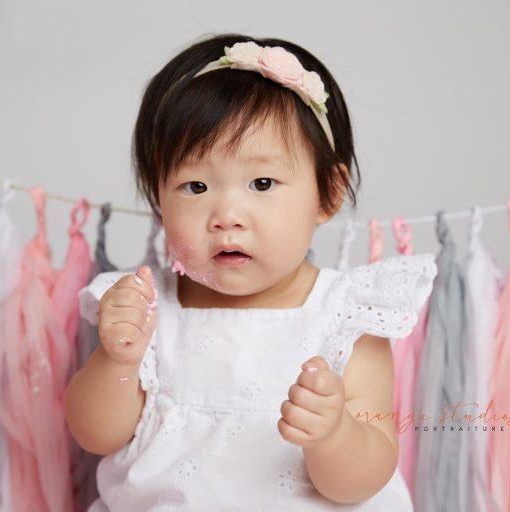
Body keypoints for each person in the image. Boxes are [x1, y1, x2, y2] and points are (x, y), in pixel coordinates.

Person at [65, 32, 437, 511]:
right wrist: (116, 360)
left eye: (262, 183)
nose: (226, 216)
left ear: (328, 193)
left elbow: (362, 480)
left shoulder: (347, 316)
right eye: (195, 186)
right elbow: (94, 435)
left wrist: (333, 435)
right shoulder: (147, 306)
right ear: (160, 199)